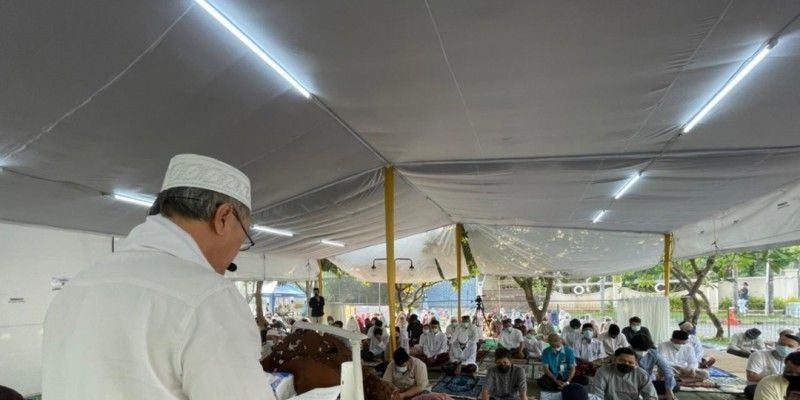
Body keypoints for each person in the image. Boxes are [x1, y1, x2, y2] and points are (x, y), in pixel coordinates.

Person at [41, 154, 275, 399]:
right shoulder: (208, 296)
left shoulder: (77, 286)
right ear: (223, 217)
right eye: (244, 238)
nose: (236, 253)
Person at [744, 334, 800, 400]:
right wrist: (775, 377)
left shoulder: (793, 359)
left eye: (790, 346)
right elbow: (751, 376)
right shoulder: (759, 355)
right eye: (781, 344)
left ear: (798, 348)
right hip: (758, 386)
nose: (784, 347)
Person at [590, 347, 658, 400]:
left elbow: (651, 396)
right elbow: (596, 395)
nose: (626, 364)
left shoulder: (641, 375)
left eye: (631, 363)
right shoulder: (603, 371)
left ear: (635, 363)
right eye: (622, 361)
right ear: (614, 360)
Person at [630, 334, 676, 400]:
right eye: (639, 350)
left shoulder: (653, 354)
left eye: (645, 350)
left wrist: (669, 390)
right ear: (632, 347)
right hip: (630, 383)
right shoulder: (626, 353)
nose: (642, 352)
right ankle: (660, 397)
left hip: (648, 383)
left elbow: (667, 370)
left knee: (674, 386)